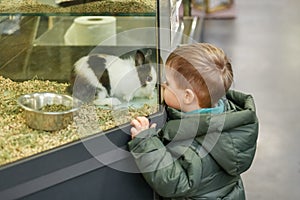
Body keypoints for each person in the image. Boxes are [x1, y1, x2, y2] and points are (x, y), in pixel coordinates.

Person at [128, 43, 259, 199]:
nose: (162, 85)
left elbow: (174, 183)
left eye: (167, 83)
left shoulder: (199, 145)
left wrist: (146, 142)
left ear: (188, 96)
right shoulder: (225, 113)